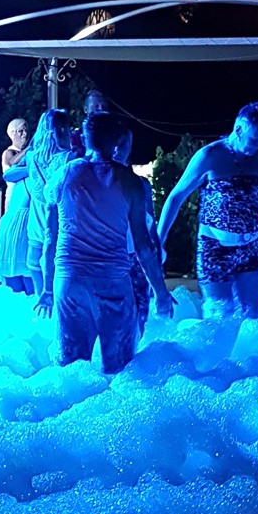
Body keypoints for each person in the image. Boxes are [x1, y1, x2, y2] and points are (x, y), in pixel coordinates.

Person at [39, 112, 172, 370]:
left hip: (70, 279)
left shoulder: (64, 175)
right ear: (117, 143)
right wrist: (161, 291)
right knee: (118, 368)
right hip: (112, 281)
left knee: (72, 369)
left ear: (84, 139)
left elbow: (50, 236)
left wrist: (46, 287)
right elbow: (143, 246)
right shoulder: (130, 183)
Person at [157, 102, 258, 316]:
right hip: (215, 248)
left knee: (251, 317)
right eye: (253, 139)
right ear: (238, 129)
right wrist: (159, 240)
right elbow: (176, 197)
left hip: (251, 248)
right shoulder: (210, 156)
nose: (257, 146)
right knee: (219, 316)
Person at [107, 120, 163, 338]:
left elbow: (150, 225)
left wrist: (157, 261)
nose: (119, 149)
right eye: (117, 143)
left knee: (139, 314)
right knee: (113, 317)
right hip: (108, 258)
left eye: (124, 145)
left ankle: (133, 351)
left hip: (133, 257)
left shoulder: (141, 185)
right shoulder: (91, 180)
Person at [24, 108, 75, 295]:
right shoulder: (69, 158)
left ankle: (41, 300)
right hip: (58, 221)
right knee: (58, 269)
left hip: (36, 219)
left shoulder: (30, 158)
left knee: (34, 263)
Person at [0, 117, 33, 293]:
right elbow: (12, 163)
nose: (25, 134)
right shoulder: (9, 152)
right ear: (12, 133)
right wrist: (30, 149)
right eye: (21, 131)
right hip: (15, 206)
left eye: (26, 130)